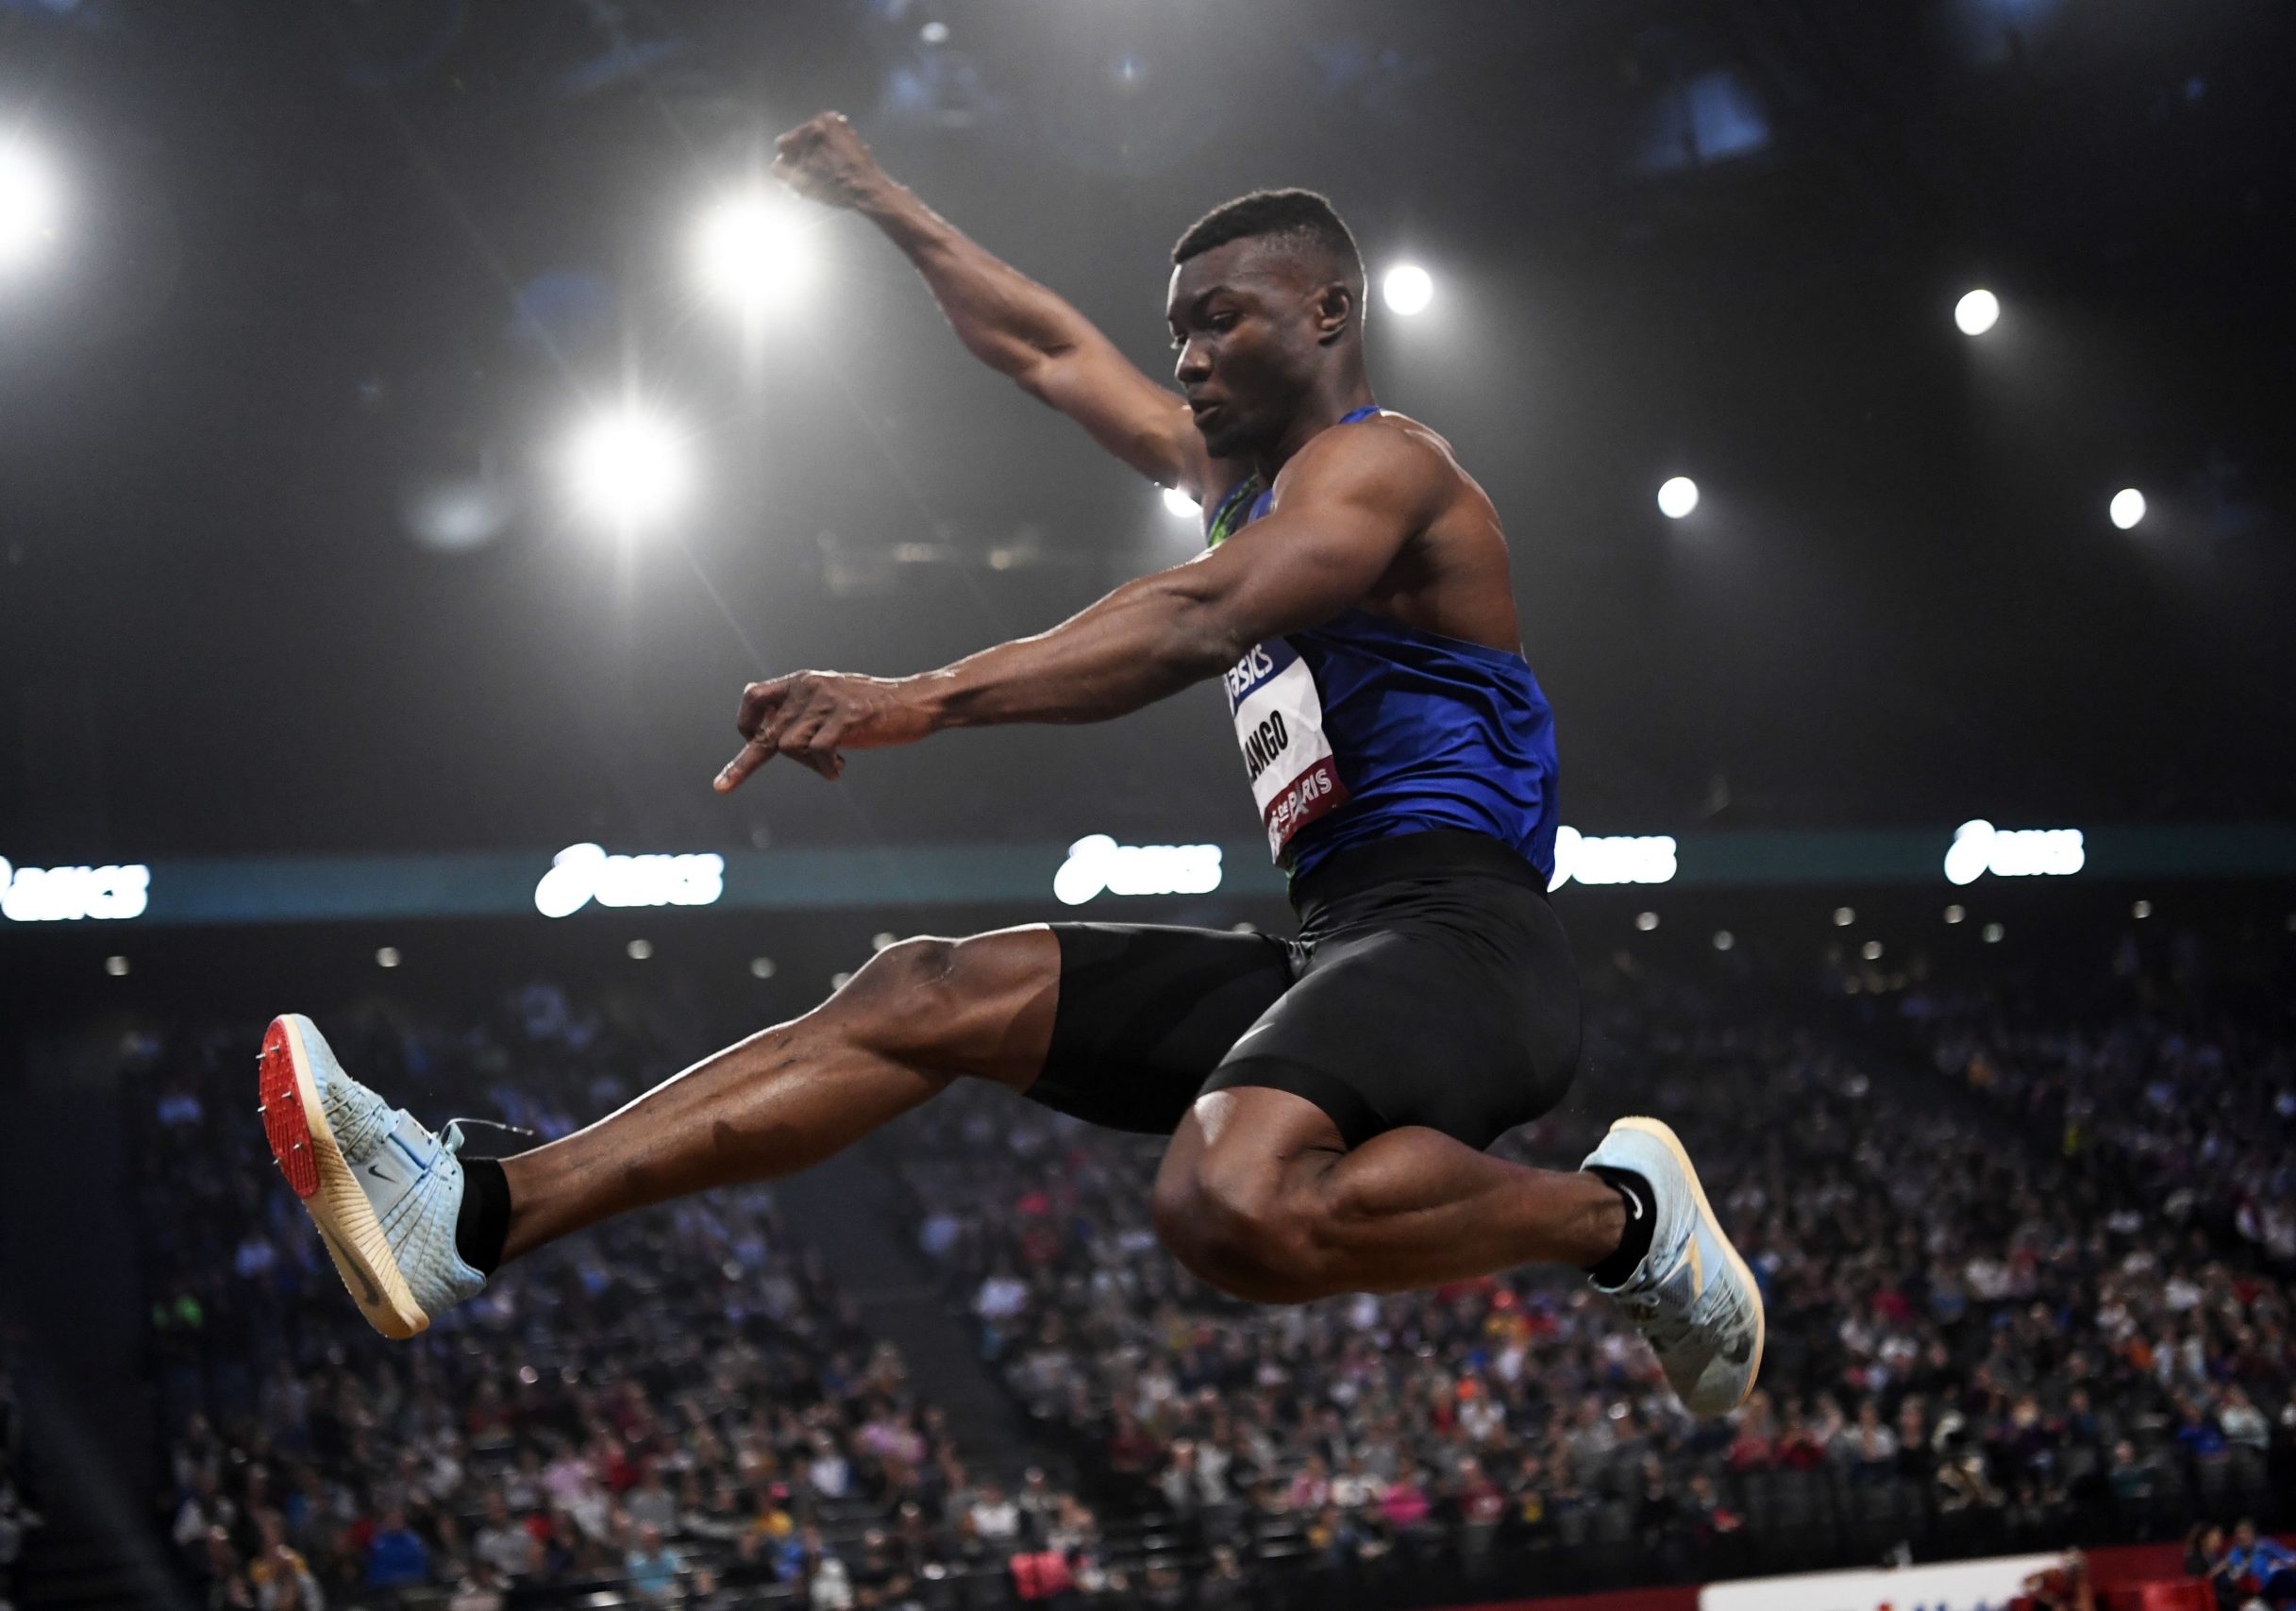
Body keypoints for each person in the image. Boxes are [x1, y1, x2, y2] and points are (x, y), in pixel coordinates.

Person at [253, 110, 1762, 1420]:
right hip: (1338, 947)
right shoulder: (1226, 482)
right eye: (1178, 323)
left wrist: (918, 697)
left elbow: (1200, 618)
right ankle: (477, 1215)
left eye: (1224, 316)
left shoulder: (1388, 466)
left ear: (1329, 314)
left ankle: (1622, 1224)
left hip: (1470, 943)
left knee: (1223, 1198)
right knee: (920, 992)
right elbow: (1048, 350)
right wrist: (884, 203)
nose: (1187, 352)